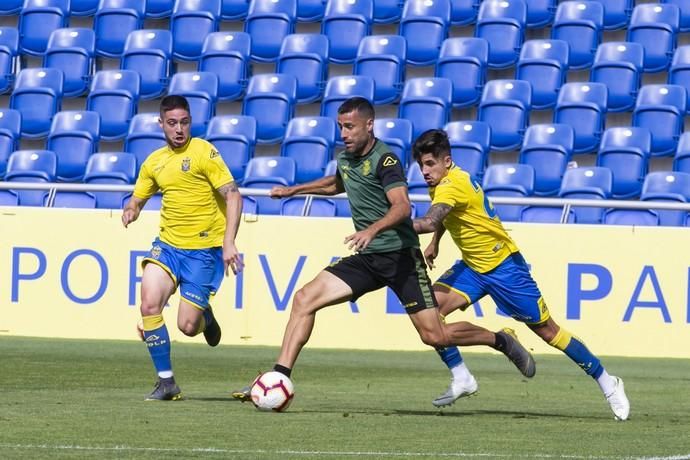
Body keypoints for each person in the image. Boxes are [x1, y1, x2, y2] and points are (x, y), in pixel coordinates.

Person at [232, 97, 535, 405]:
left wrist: (372, 230)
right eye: (340, 127)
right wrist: (292, 190)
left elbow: (402, 207)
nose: (344, 133)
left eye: (350, 127)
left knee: (435, 335)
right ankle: (280, 376)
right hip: (368, 258)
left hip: (401, 257)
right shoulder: (346, 159)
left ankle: (500, 340)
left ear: (369, 125)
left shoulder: (385, 159)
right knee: (304, 299)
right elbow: (337, 184)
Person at [410, 128, 630, 421]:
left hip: (505, 268)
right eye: (421, 165)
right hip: (472, 267)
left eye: (430, 164)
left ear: (447, 161)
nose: (425, 171)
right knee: (430, 313)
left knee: (549, 332)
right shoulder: (443, 183)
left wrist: (387, 225)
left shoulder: (452, 184)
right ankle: (462, 375)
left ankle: (608, 382)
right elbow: (446, 217)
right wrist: (435, 243)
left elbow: (430, 219)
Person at [122, 95, 244, 401]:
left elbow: (233, 196)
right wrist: (132, 209)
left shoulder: (204, 152)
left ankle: (206, 318)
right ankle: (167, 383)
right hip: (168, 248)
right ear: (161, 123)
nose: (179, 129)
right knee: (149, 305)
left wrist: (229, 242)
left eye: (185, 122)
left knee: (188, 326)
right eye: (172, 123)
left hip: (204, 251)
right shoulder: (154, 162)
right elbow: (139, 197)